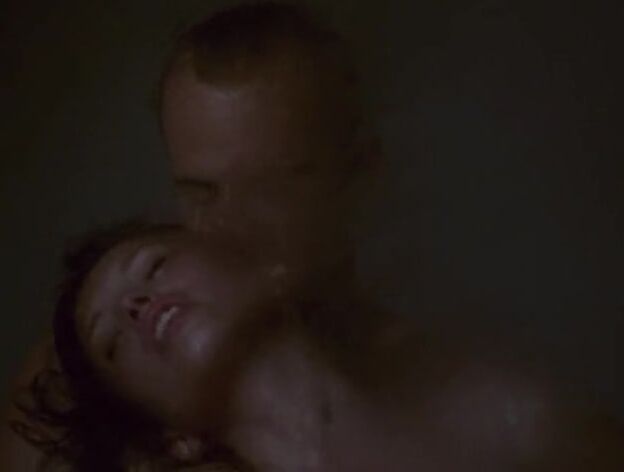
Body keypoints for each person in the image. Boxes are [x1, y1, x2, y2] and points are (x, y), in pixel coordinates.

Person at [1, 3, 379, 469]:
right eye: (201, 193)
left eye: (268, 189)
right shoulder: (88, 374)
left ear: (360, 176)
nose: (228, 226)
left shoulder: (422, 380)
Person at [15, 222, 624, 471]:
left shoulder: (504, 414)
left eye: (155, 264)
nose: (136, 304)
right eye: (112, 341)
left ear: (269, 269)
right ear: (174, 438)